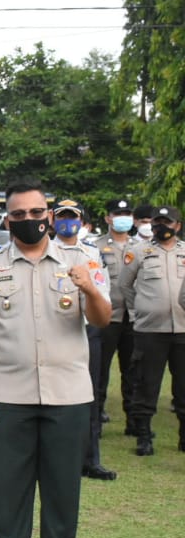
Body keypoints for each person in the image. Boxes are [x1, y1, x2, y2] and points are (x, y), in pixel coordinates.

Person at [0, 181, 111, 538]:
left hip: (68, 392)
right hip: (7, 392)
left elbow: (101, 319)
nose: (28, 220)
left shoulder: (82, 260)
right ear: (7, 219)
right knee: (9, 481)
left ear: (48, 214)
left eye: (35, 212)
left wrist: (89, 288)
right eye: (18, 215)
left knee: (64, 481)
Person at [51, 199, 116, 480]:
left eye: (72, 217)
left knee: (89, 395)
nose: (67, 222)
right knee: (52, 397)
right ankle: (56, 459)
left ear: (81, 221)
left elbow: (103, 294)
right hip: (53, 332)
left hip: (86, 330)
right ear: (52, 220)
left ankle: (90, 460)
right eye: (62, 216)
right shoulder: (43, 251)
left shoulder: (91, 254)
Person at [120, 205, 185, 456]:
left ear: (177, 226)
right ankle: (144, 437)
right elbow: (125, 285)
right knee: (146, 384)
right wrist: (138, 312)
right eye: (158, 222)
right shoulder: (139, 252)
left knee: (183, 387)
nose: (161, 227)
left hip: (182, 329)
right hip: (150, 330)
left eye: (167, 223)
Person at [94, 199, 137, 436]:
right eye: (118, 213)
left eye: (127, 213)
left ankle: (133, 421)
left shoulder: (141, 246)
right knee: (101, 370)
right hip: (108, 317)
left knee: (132, 372)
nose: (123, 217)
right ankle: (97, 419)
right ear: (108, 218)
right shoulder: (97, 246)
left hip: (133, 317)